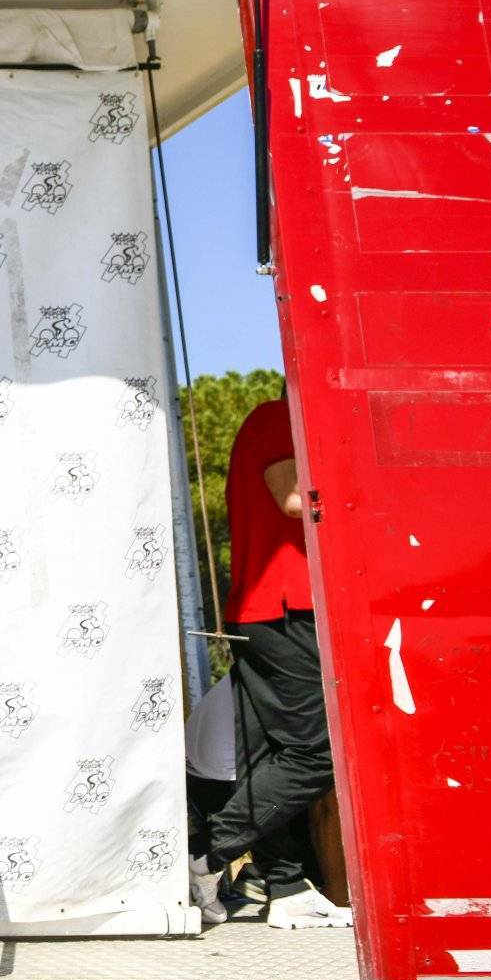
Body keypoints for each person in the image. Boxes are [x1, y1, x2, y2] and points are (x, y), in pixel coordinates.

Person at [198, 396, 350, 928]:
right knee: (320, 750)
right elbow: (292, 499)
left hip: (278, 607)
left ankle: (285, 885)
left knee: (270, 755)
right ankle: (206, 852)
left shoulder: (279, 421)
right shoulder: (278, 418)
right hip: (284, 607)